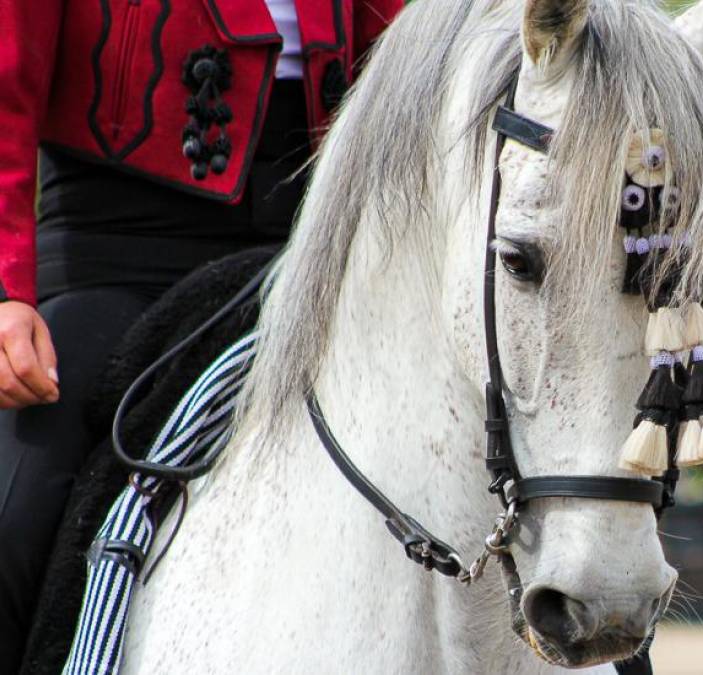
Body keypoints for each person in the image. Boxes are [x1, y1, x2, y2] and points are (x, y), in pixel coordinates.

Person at [0, 0, 403, 668]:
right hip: (119, 246)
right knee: (11, 525)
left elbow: (402, 46)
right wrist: (7, 291)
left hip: (314, 239)